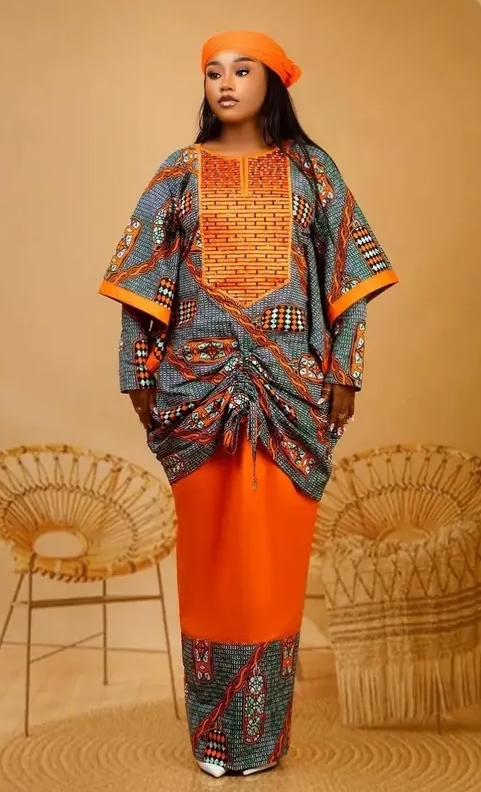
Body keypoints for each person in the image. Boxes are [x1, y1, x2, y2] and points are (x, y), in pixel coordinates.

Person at [99, 30, 398, 777]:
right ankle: (213, 741)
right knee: (208, 567)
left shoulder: (312, 171)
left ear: (274, 82)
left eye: (242, 69)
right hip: (193, 396)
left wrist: (346, 372)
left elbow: (350, 280)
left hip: (290, 395)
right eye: (213, 72)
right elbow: (140, 285)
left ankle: (262, 741)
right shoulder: (178, 172)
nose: (226, 83)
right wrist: (137, 375)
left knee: (272, 570)